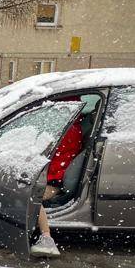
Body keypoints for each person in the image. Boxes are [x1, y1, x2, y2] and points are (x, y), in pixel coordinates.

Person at [31, 100, 85, 258]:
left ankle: (47, 239)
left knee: (32, 197)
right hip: (54, 176)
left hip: (55, 180)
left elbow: (49, 152)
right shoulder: (73, 127)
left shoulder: (68, 130)